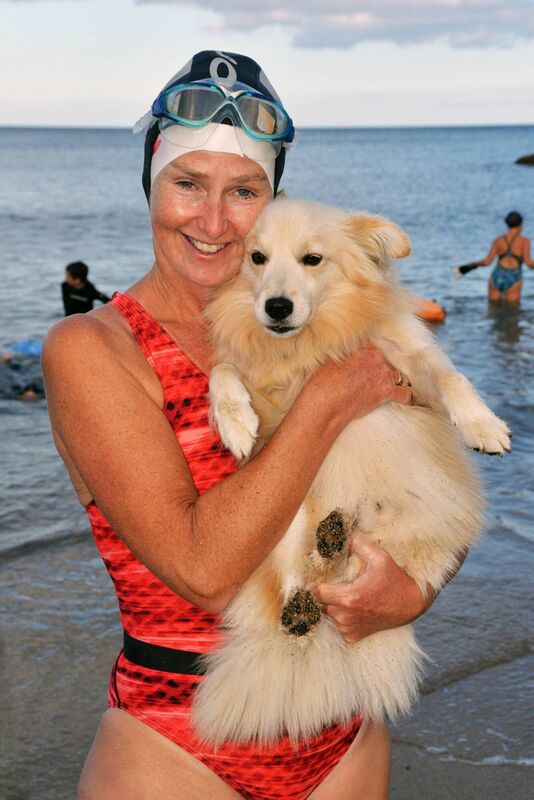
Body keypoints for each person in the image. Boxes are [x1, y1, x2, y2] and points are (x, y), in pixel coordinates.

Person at [42, 50, 465, 800]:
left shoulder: (326, 317)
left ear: (274, 201)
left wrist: (415, 592)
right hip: (178, 738)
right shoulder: (94, 349)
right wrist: (327, 400)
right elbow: (203, 573)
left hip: (345, 727)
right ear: (149, 185)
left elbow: (438, 488)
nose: (212, 221)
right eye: (187, 184)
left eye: (243, 191)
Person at [456, 211, 534, 304]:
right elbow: (529, 263)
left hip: (497, 275)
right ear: (521, 225)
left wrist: (474, 264)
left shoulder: (498, 240)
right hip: (514, 276)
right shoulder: (524, 241)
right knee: (513, 309)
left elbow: (487, 262)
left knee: (493, 308)